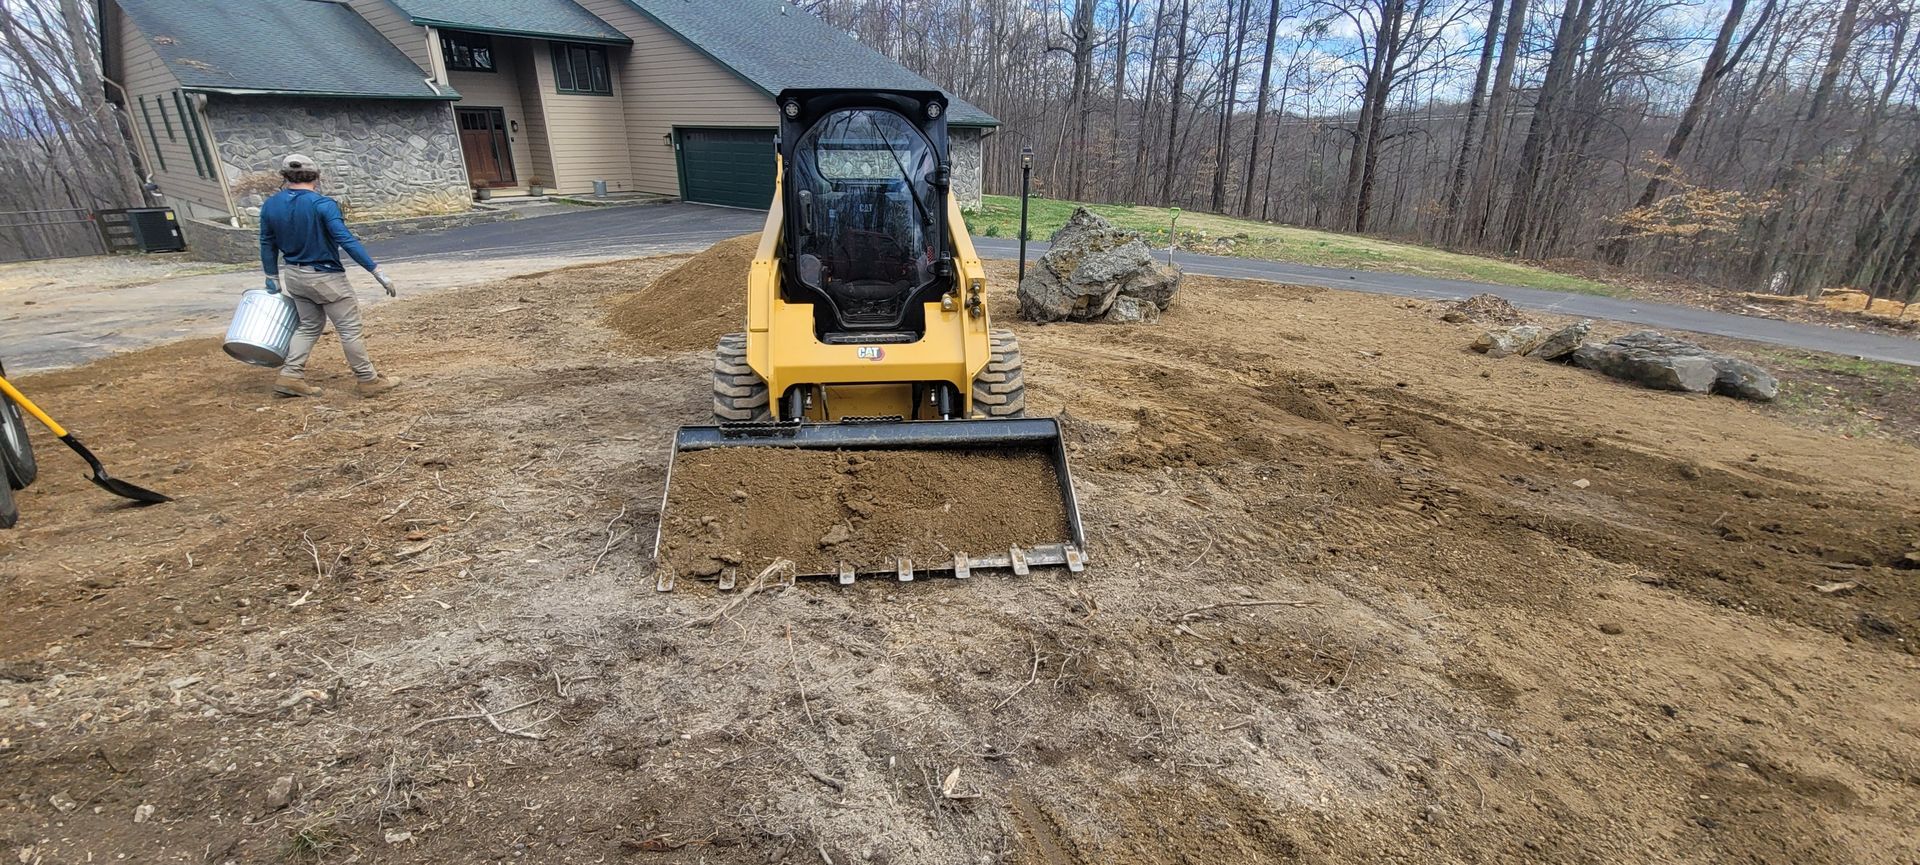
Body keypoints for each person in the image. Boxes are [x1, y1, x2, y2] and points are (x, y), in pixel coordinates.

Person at [258, 154, 400, 398]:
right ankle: (368, 380)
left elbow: (266, 242)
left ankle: (291, 376)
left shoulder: (271, 205)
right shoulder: (322, 204)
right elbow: (345, 239)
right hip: (326, 276)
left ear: (284, 177)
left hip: (294, 274)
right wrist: (376, 271)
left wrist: (271, 274)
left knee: (309, 326)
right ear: (317, 176)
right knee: (349, 329)